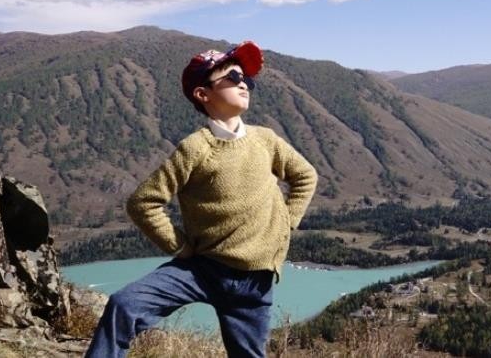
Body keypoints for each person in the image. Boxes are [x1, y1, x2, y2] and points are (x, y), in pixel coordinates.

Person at [85, 41, 318, 358]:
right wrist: (179, 246)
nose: (244, 84)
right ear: (202, 94)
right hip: (203, 269)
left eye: (246, 79)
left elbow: (305, 176)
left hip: (256, 281)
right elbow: (143, 202)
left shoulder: (266, 140)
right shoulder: (195, 148)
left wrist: (285, 225)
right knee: (124, 305)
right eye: (232, 78)